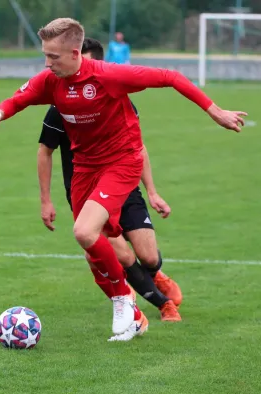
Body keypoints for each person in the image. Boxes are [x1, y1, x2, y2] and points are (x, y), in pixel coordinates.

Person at [0, 18, 246, 341]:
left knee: (83, 230)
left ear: (76, 53)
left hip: (122, 163)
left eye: (53, 57)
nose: (47, 64)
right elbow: (18, 100)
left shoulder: (108, 76)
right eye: (45, 56)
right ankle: (133, 312)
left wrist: (213, 110)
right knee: (92, 245)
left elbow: (170, 77)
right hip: (85, 169)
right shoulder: (52, 81)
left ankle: (124, 303)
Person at [38, 37, 183, 325]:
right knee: (123, 256)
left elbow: (138, 148)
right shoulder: (59, 105)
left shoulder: (118, 99)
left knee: (148, 255)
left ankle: (154, 273)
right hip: (87, 192)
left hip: (123, 186)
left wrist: (152, 192)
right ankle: (162, 304)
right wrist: (46, 200)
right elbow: (45, 151)